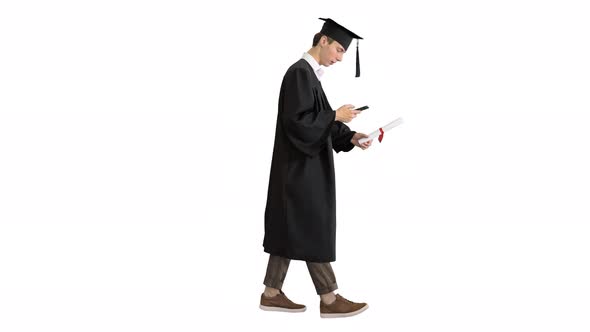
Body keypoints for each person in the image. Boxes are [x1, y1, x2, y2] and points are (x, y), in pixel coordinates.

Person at [260, 18, 372, 318]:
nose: (340, 57)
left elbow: (316, 121)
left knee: (291, 228)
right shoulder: (299, 73)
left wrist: (350, 136)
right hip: (298, 170)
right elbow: (297, 123)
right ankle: (330, 298)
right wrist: (335, 114)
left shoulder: (309, 76)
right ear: (322, 41)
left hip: (301, 168)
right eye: (338, 49)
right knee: (311, 227)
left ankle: (271, 293)